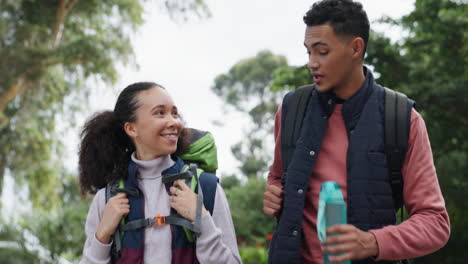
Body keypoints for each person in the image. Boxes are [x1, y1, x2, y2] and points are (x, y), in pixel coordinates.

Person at [263, 0, 450, 263]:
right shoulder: (292, 110)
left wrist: (373, 242)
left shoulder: (402, 119)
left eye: (322, 52)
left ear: (356, 47)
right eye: (308, 53)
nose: (312, 63)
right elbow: (277, 176)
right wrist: (273, 192)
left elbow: (435, 223)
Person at [78, 82, 241, 264]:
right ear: (131, 128)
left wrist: (201, 219)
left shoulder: (206, 188)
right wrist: (102, 235)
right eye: (160, 113)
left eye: (174, 113)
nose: (174, 122)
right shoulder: (106, 199)